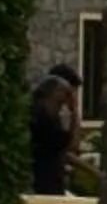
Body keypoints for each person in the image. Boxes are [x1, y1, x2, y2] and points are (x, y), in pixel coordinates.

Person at [28, 64, 81, 195]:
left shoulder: (50, 118)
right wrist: (74, 113)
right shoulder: (42, 119)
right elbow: (71, 146)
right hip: (44, 185)